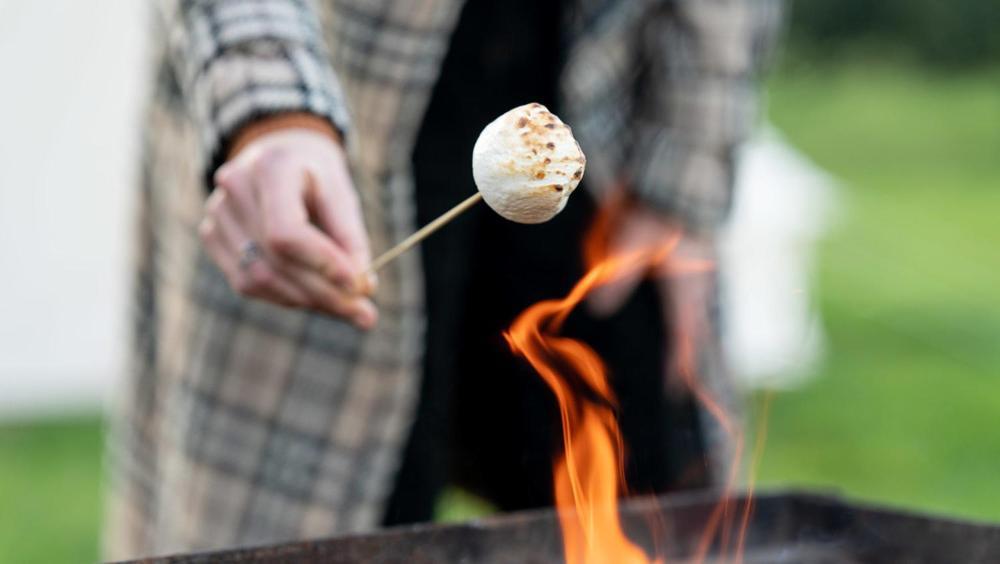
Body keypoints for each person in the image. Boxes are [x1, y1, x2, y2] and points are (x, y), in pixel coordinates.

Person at [105, 0, 780, 558]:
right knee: (326, 534)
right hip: (330, 123)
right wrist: (269, 105)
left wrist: (685, 171)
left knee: (649, 515)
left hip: (608, 131)